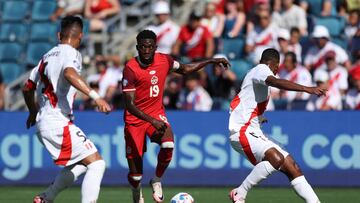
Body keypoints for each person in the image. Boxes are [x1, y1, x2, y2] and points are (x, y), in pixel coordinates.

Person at [122, 30, 229, 203]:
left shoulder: (164, 60)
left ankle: (156, 179)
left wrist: (211, 61)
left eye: (150, 47)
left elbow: (186, 69)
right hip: (135, 121)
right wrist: (152, 121)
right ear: (137, 48)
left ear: (155, 47)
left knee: (168, 143)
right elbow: (129, 105)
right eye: (143, 47)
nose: (146, 51)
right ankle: (136, 192)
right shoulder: (130, 69)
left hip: (155, 113)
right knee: (135, 176)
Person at [22, 16, 111, 203]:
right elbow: (69, 73)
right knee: (97, 164)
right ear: (81, 37)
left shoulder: (45, 57)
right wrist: (96, 97)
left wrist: (32, 111)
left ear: (58, 35)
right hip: (57, 122)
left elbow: (27, 87)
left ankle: (46, 198)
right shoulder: (72, 53)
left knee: (81, 165)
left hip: (44, 122)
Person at [228, 48, 325, 203]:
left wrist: (259, 117)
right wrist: (307, 88)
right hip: (242, 131)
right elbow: (274, 81)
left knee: (291, 166)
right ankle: (240, 192)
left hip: (253, 129)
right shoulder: (261, 69)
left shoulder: (257, 73)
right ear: (276, 65)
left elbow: (248, 100)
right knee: (276, 158)